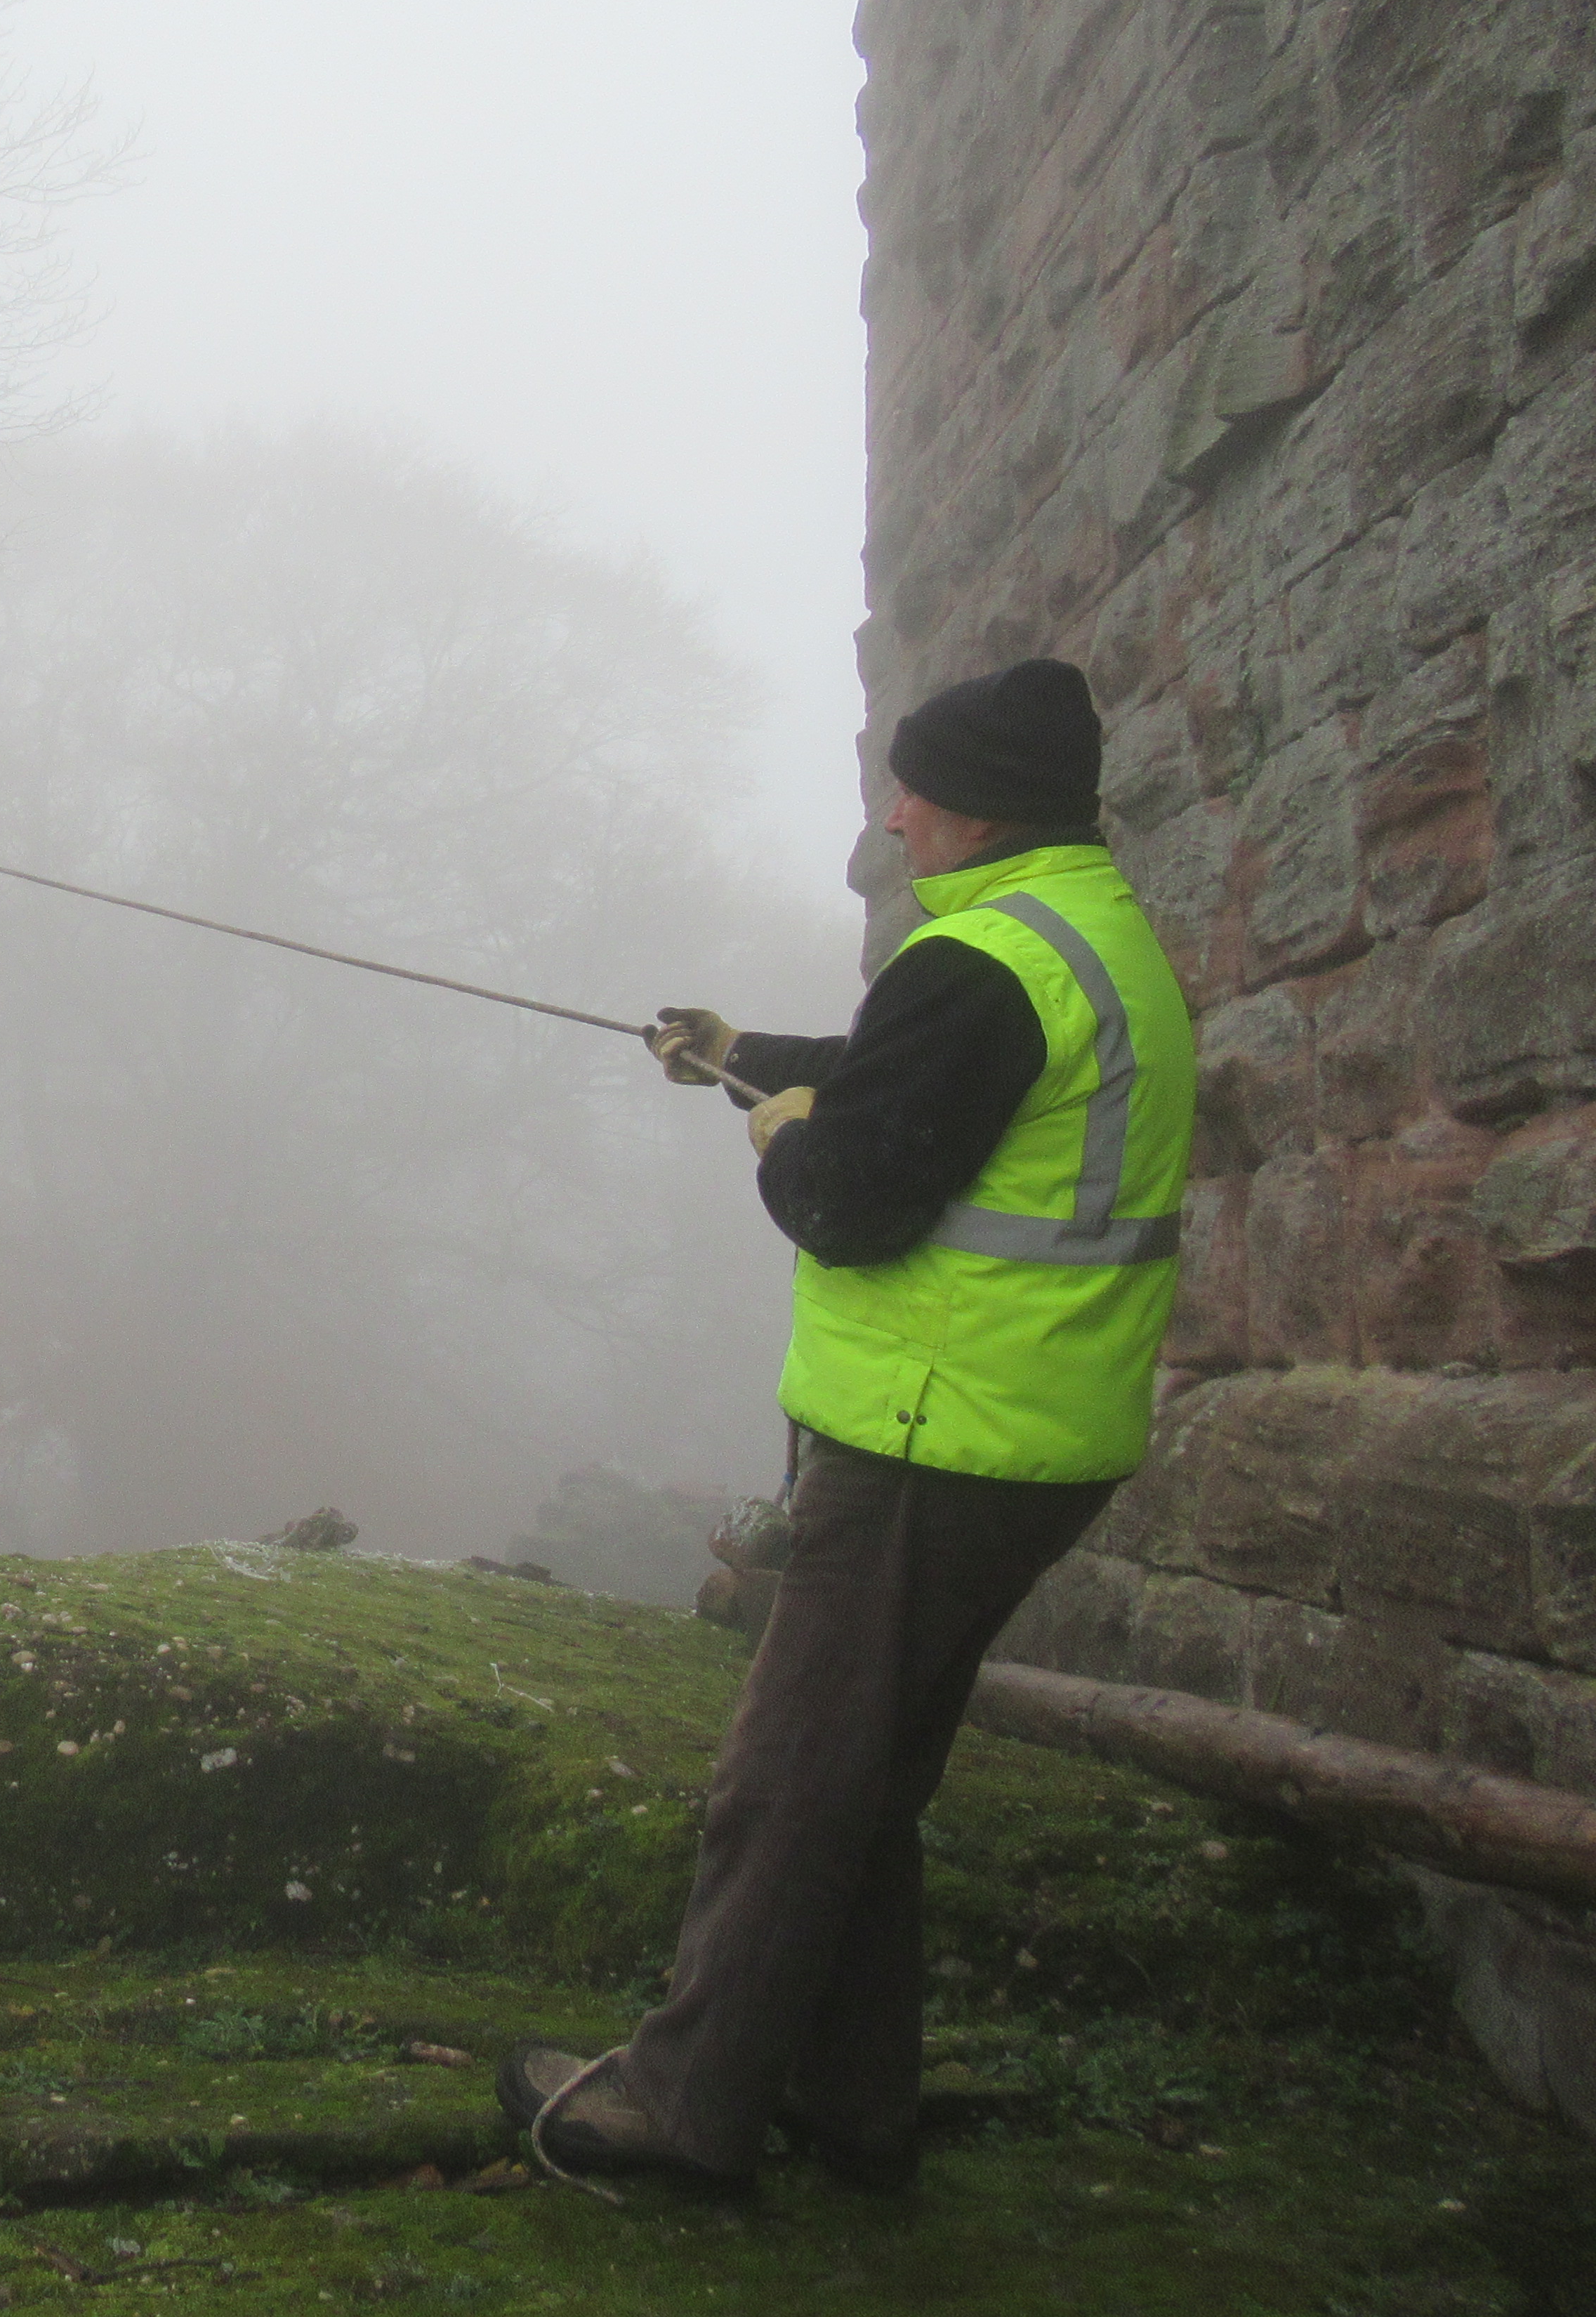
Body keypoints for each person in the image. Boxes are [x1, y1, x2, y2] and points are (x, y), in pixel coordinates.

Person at [496, 656, 1191, 2193]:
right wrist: (740, 1053)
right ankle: (853, 2102)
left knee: (789, 1777)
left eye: (913, 791)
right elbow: (920, 1086)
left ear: (978, 807)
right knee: (864, 1784)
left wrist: (780, 1141)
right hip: (1028, 1431)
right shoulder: (1083, 934)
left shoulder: (979, 963)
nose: (892, 818)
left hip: (934, 1433)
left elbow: (852, 1200)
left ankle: (682, 2108)